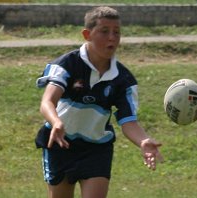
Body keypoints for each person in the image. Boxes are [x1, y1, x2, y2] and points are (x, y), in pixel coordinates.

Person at [35, 6, 163, 198]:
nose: (112, 37)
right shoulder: (67, 64)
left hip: (97, 148)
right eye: (104, 31)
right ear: (87, 34)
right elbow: (47, 101)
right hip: (60, 143)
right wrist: (57, 122)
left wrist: (142, 141)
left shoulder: (122, 78)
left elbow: (128, 121)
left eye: (116, 32)